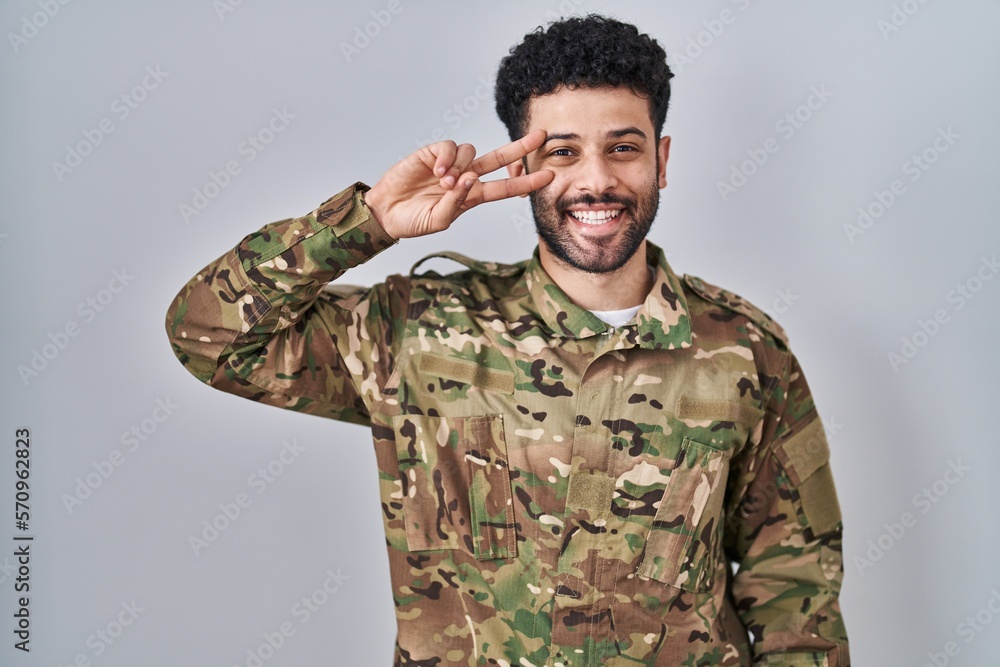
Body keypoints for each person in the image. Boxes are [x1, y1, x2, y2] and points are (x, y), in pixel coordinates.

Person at [165, 14, 849, 666]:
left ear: (660, 160)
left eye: (623, 147)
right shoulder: (419, 329)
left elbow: (797, 589)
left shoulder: (745, 350)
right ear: (523, 165)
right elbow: (209, 335)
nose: (596, 181)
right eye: (562, 152)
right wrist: (367, 220)